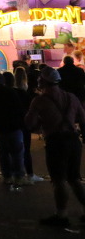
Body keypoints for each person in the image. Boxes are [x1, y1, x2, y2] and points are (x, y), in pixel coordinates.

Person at [25, 65, 85, 227]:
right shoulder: (72, 97)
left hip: (56, 142)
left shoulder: (39, 100)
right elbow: (82, 118)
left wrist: (41, 121)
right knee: (74, 178)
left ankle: (61, 215)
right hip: (73, 140)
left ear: (43, 81)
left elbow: (29, 123)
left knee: (59, 180)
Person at [13, 66, 45, 183]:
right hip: (24, 123)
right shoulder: (28, 94)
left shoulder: (13, 92)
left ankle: (16, 175)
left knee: (14, 150)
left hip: (14, 124)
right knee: (26, 149)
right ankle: (29, 175)